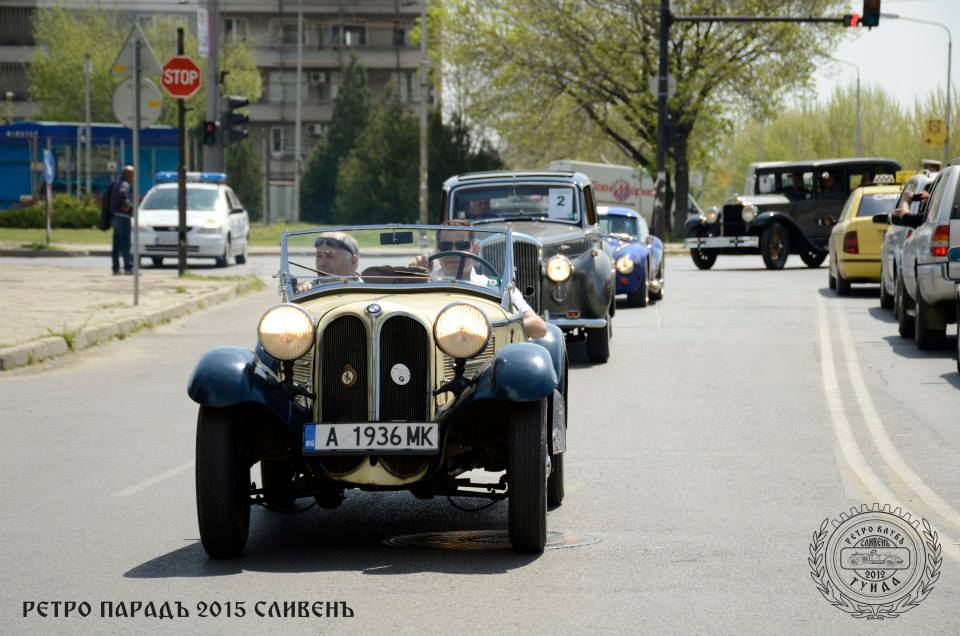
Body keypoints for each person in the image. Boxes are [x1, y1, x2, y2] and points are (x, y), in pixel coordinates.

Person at [411, 220, 548, 339]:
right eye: (445, 246)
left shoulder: (494, 286)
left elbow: (539, 327)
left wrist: (489, 326)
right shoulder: (426, 283)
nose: (453, 252)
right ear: (437, 250)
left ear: (474, 248)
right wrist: (415, 276)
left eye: (462, 245)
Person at [295, 231, 360, 292]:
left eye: (330, 256)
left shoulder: (367, 289)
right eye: (319, 256)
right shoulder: (308, 290)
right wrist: (301, 289)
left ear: (353, 261)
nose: (322, 263)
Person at [110, 166, 134, 275]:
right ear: (128, 175)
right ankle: (128, 267)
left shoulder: (116, 184)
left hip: (115, 216)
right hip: (123, 217)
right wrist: (127, 205)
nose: (133, 177)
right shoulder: (125, 185)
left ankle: (115, 268)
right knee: (125, 244)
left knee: (116, 244)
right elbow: (124, 194)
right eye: (132, 174)